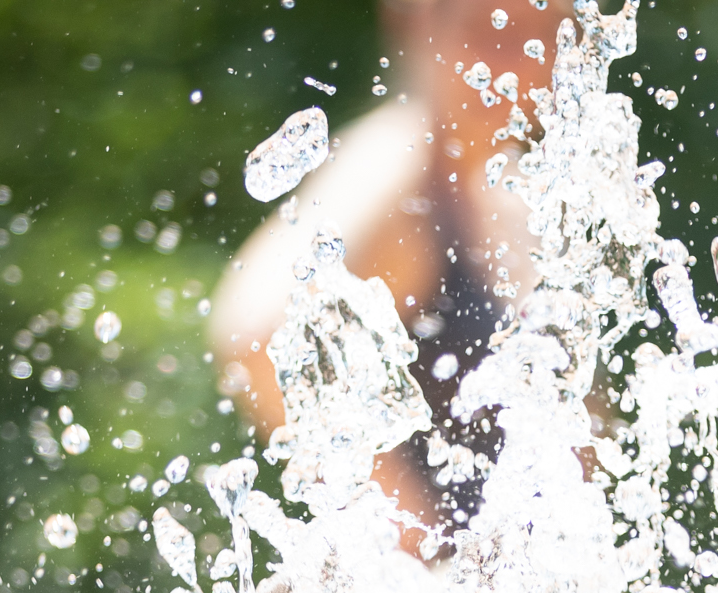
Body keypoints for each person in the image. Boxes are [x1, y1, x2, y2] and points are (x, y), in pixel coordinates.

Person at [210, 0, 560, 539]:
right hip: (417, 587)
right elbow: (256, 336)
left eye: (535, 32)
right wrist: (410, 533)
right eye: (485, 29)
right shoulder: (398, 162)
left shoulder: (507, 196)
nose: (509, 60)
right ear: (417, 22)